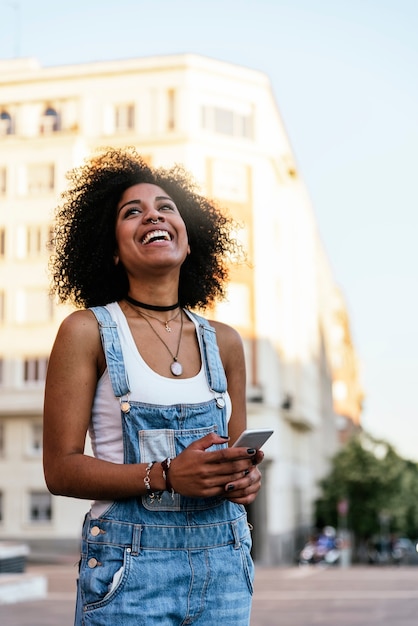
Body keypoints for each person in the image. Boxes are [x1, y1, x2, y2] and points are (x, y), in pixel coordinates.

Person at [43, 147, 264, 625]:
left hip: (224, 570)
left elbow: (235, 460)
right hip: (128, 575)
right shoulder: (87, 331)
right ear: (112, 249)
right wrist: (163, 475)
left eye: (166, 207)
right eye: (132, 212)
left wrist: (244, 480)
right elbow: (59, 471)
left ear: (189, 242)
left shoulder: (226, 342)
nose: (153, 216)